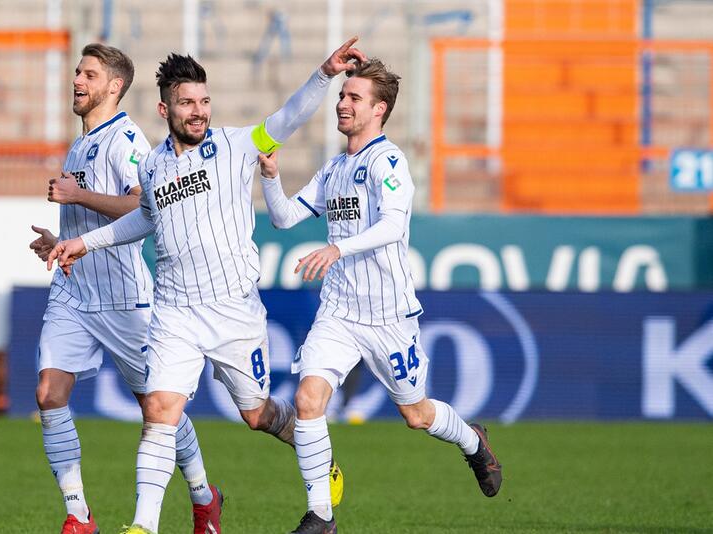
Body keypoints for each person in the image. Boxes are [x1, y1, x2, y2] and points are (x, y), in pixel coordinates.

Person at [46, 38, 368, 534]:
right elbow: (142, 221)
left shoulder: (237, 145)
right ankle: (143, 526)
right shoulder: (152, 165)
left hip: (233, 312)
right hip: (174, 310)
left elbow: (289, 117)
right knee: (159, 410)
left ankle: (320, 460)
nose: (198, 113)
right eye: (187, 103)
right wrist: (84, 244)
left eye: (204, 102)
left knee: (257, 414)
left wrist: (325, 74)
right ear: (165, 108)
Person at [256, 58, 504, 534]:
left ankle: (473, 440)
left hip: (387, 315)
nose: (343, 103)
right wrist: (270, 176)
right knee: (308, 401)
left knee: (416, 414)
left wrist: (337, 247)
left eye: (353, 97)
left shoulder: (388, 161)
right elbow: (284, 218)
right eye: (343, 95)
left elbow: (392, 226)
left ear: (378, 109)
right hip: (339, 310)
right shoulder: (334, 169)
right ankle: (321, 517)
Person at [28, 43, 220, 534]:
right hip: (73, 293)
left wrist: (77, 194)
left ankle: (203, 496)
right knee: (49, 392)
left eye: (88, 74)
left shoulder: (128, 140)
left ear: (113, 86)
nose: (77, 80)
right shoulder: (79, 142)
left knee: (158, 407)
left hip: (123, 298)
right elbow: (87, 216)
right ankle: (78, 516)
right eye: (76, 71)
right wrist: (59, 241)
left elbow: (144, 210)